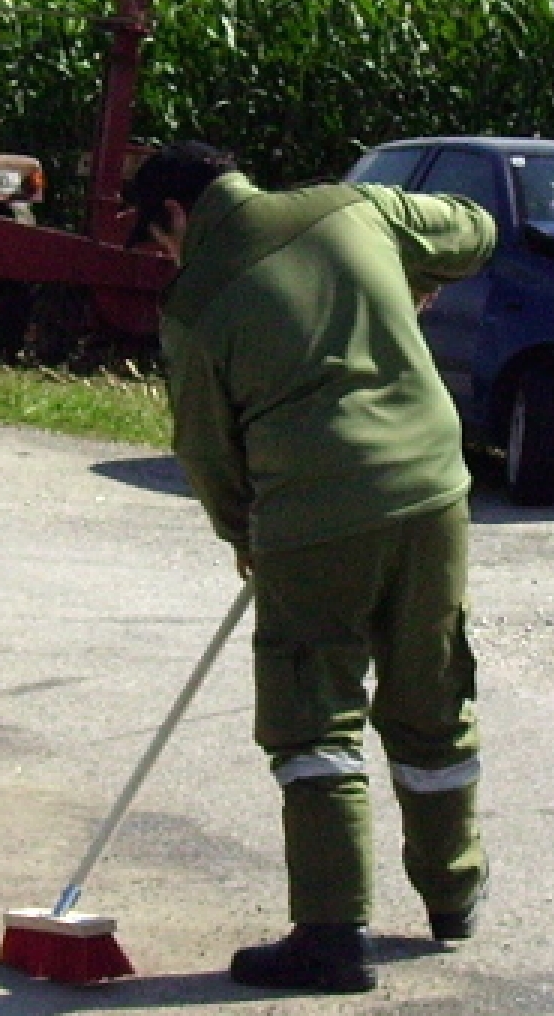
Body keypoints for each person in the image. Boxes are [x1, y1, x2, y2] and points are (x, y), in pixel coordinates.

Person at [125, 141, 497, 993]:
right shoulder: (357, 209)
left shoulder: (197, 303)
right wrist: (406, 272)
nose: (163, 257)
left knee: (314, 718)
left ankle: (332, 936)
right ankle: (453, 892)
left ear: (177, 217)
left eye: (157, 240)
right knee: (430, 691)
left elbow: (204, 448)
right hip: (434, 489)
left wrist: (244, 537)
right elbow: (475, 232)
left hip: (314, 512)